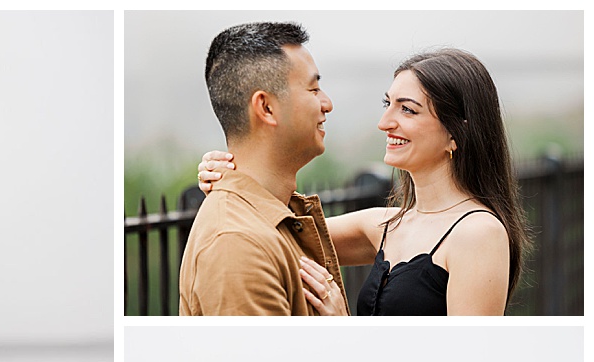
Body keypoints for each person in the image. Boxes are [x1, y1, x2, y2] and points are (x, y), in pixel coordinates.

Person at [197, 48, 525, 315]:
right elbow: (282, 232)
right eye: (388, 104)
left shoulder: (478, 233)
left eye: (407, 110)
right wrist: (236, 172)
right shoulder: (385, 225)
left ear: (456, 132)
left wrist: (343, 326)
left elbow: (464, 361)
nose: (385, 123)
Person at [177, 22, 346, 316]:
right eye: (314, 88)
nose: (327, 103)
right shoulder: (236, 245)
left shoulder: (269, 217)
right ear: (266, 107)